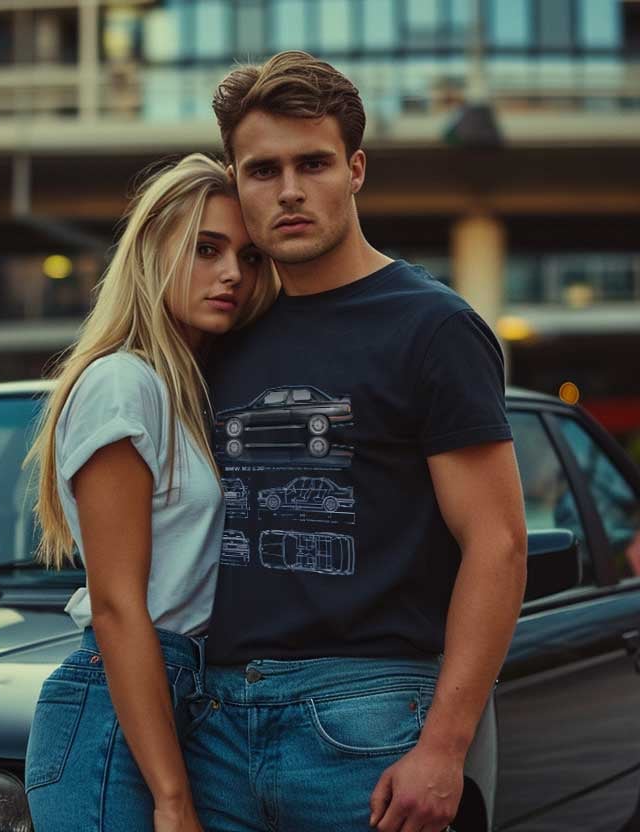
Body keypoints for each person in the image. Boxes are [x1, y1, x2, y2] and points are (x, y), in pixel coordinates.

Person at [182, 52, 529, 832]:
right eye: (262, 170)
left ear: (357, 169)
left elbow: (499, 544)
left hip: (366, 722)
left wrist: (444, 747)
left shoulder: (432, 326)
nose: (290, 190)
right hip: (215, 719)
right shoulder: (223, 332)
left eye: (314, 163)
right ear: (237, 182)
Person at [22, 153, 276, 832]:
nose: (232, 274)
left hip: (172, 700)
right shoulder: (122, 384)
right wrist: (172, 795)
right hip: (114, 716)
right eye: (206, 248)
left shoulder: (184, 394)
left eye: (249, 258)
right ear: (151, 252)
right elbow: (115, 607)